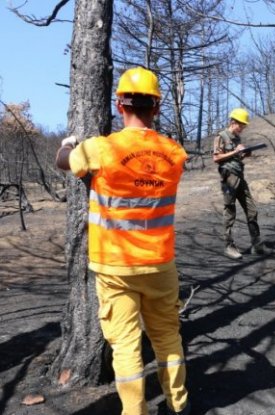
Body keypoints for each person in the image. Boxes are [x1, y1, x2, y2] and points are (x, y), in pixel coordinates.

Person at [55, 67, 190, 415]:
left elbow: (63, 163)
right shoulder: (174, 152)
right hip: (160, 262)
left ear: (119, 105)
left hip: (115, 266)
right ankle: (179, 406)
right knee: (167, 337)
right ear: (156, 108)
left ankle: (135, 411)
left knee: (126, 346)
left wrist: (69, 144)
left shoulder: (101, 149)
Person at [213, 108, 265, 259]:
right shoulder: (221, 136)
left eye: (244, 126)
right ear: (233, 122)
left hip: (240, 177)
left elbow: (235, 158)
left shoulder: (237, 139)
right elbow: (216, 158)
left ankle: (256, 243)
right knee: (230, 212)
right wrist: (235, 152)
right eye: (241, 125)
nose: (242, 128)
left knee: (252, 209)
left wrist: (244, 154)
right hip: (228, 178)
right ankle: (229, 246)